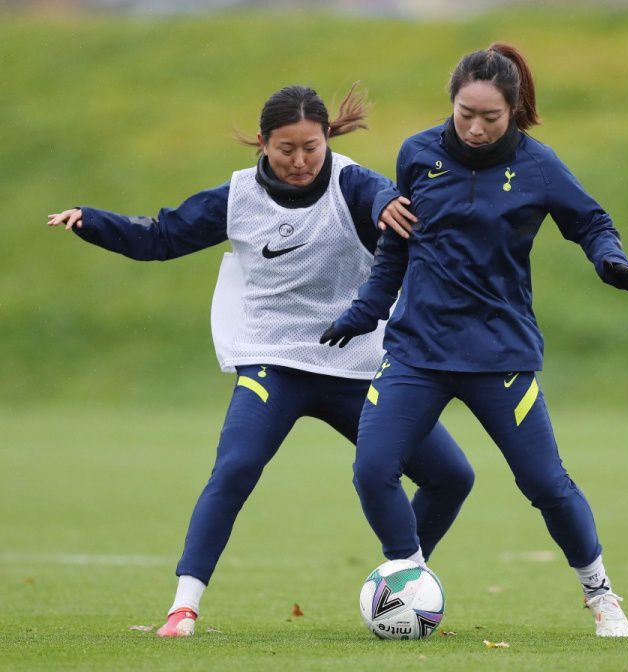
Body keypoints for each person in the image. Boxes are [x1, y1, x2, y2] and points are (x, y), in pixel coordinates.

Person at [48, 84, 475, 637]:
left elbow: (388, 205)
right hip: (272, 361)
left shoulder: (354, 183)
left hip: (356, 364)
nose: (300, 161)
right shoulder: (238, 196)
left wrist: (399, 205)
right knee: (236, 468)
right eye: (285, 149)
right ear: (263, 143)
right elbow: (160, 236)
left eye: (311, 148)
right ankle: (183, 608)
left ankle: (405, 583)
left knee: (452, 476)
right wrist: (92, 220)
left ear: (328, 140)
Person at [321, 45, 628, 637]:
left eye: (490, 117)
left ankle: (601, 594)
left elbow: (591, 222)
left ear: (515, 110)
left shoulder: (538, 166)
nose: (475, 127)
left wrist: (609, 259)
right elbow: (397, 245)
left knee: (546, 485)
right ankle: (409, 576)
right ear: (452, 102)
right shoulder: (418, 154)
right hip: (418, 352)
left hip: (498, 354)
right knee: (373, 468)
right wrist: (366, 310)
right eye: (464, 112)